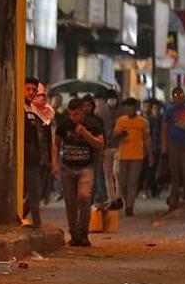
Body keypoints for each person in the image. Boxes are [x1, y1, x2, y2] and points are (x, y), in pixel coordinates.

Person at [54, 98, 105, 247]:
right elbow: (56, 143)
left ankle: (84, 233)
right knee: (70, 202)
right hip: (67, 167)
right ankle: (74, 234)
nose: (73, 118)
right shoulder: (64, 124)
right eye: (71, 114)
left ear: (82, 111)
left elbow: (100, 144)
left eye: (76, 114)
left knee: (84, 197)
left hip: (85, 167)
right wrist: (54, 163)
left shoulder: (92, 124)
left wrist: (85, 134)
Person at [113, 98, 151, 216]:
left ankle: (130, 206)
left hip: (137, 156)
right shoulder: (121, 121)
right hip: (123, 155)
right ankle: (126, 201)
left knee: (133, 182)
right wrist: (120, 134)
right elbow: (115, 135)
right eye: (127, 108)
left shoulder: (142, 122)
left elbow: (147, 138)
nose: (129, 110)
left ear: (135, 109)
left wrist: (150, 153)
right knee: (123, 182)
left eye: (132, 108)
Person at [22, 77, 50, 226]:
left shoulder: (35, 110)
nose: (31, 92)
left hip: (34, 157)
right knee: (30, 191)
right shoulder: (19, 107)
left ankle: (36, 222)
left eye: (34, 90)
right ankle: (33, 221)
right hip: (21, 157)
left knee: (35, 192)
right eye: (28, 89)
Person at [162, 86, 185, 209]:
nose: (178, 97)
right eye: (175, 95)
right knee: (175, 173)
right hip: (173, 145)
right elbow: (164, 127)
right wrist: (164, 145)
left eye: (180, 94)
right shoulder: (169, 110)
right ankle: (174, 197)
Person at [96, 89, 122, 210]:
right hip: (106, 146)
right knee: (107, 174)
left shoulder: (122, 112)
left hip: (118, 146)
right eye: (110, 98)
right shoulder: (100, 112)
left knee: (117, 172)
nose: (112, 101)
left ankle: (118, 197)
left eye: (114, 98)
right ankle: (112, 199)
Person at [142, 99, 164, 197]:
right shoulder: (149, 121)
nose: (157, 111)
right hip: (151, 148)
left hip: (160, 147)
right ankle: (149, 189)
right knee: (150, 170)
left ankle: (155, 188)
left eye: (158, 109)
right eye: (155, 108)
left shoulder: (163, 120)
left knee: (159, 170)